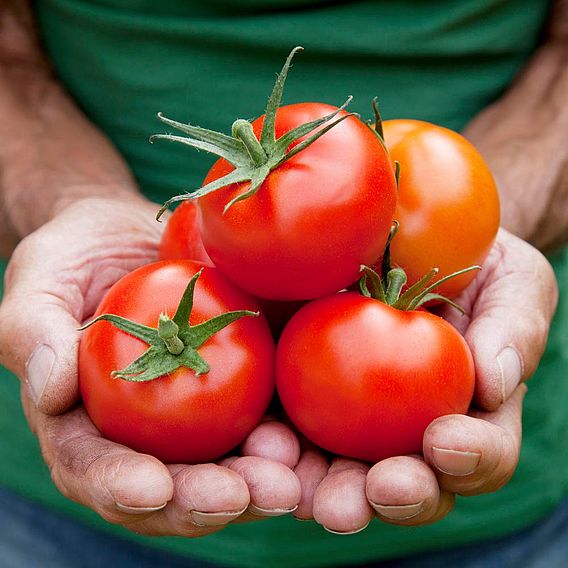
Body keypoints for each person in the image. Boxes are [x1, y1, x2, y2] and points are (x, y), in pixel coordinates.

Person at [0, 0, 566, 566]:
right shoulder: (209, 241)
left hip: (495, 529)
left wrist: (490, 222)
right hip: (54, 520)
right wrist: (66, 201)